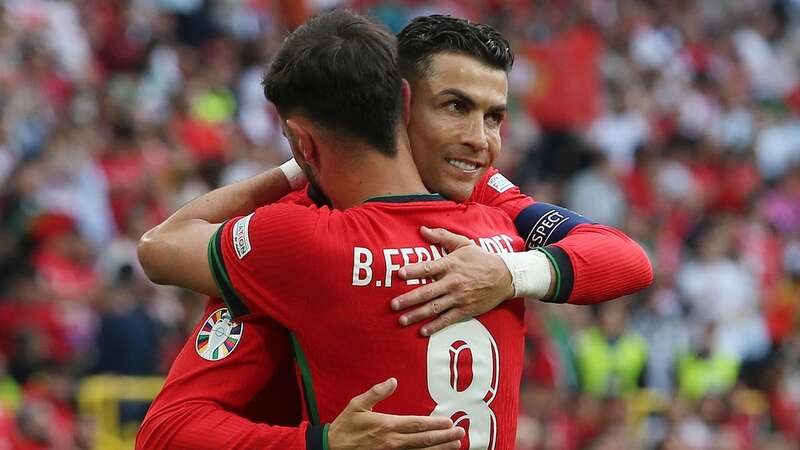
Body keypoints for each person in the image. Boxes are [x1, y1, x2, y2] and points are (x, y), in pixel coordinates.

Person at [137, 13, 653, 450]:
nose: (479, 141)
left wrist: (507, 274)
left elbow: (165, 426)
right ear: (402, 108)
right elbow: (623, 257)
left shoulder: (288, 237)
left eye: (494, 117)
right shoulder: (498, 221)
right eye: (455, 107)